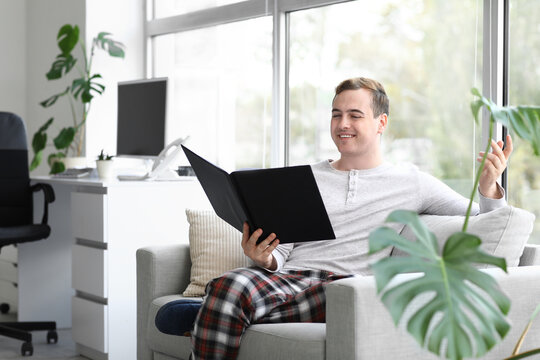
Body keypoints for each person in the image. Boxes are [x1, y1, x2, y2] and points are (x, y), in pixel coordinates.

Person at [190, 77, 513, 359]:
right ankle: (228, 306)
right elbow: (283, 250)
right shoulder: (305, 176)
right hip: (286, 281)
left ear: (381, 123)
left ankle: (218, 311)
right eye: (336, 115)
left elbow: (483, 218)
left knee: (228, 293)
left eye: (355, 115)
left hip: (345, 287)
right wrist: (266, 257)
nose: (343, 124)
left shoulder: (412, 182)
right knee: (231, 283)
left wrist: (488, 187)